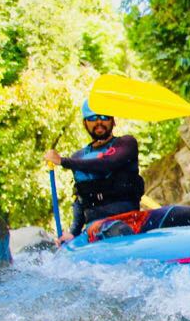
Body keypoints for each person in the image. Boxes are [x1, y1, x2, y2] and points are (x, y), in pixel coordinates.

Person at [44, 100, 145, 244]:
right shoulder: (78, 157)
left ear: (113, 121)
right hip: (98, 225)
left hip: (133, 217)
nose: (99, 122)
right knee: (116, 229)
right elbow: (80, 200)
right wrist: (73, 233)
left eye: (104, 117)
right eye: (92, 118)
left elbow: (108, 163)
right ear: (85, 123)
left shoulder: (126, 143)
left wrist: (63, 161)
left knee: (184, 214)